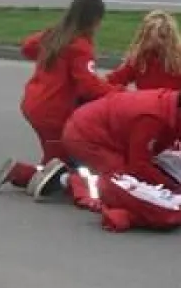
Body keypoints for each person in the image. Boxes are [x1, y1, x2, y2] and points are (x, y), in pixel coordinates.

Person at [0, 0, 120, 200]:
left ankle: (26, 174)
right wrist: (119, 94)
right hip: (54, 112)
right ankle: (20, 172)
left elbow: (27, 47)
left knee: (54, 158)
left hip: (34, 104)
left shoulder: (54, 35)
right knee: (64, 164)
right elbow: (89, 87)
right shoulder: (80, 46)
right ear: (94, 20)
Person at [61, 89, 181, 219]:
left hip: (99, 131)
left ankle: (79, 172)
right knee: (120, 184)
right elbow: (139, 165)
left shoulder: (169, 106)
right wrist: (172, 187)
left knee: (155, 169)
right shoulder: (152, 118)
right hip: (85, 136)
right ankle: (71, 180)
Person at [106, 10, 181, 90]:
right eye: (151, 38)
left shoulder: (178, 60)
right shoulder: (140, 59)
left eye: (162, 37)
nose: (158, 43)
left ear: (171, 37)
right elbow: (113, 81)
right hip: (147, 101)